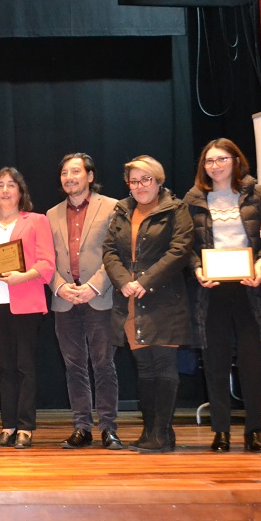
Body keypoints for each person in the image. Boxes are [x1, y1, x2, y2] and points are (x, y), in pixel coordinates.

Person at [183, 139, 261, 453]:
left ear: (236, 161)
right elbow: (186, 245)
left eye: (221, 159)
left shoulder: (257, 194)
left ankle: (254, 431)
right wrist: (197, 268)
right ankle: (221, 431)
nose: (215, 166)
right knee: (215, 362)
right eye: (209, 161)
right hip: (210, 293)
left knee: (253, 362)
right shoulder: (194, 198)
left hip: (251, 288)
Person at [103, 156, 194, 453]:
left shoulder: (176, 209)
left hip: (163, 298)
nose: (140, 186)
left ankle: (161, 433)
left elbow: (180, 250)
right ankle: (153, 433)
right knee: (144, 368)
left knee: (163, 365)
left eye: (146, 179)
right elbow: (109, 252)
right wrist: (123, 281)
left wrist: (145, 281)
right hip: (130, 299)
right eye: (134, 180)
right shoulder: (121, 210)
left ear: (158, 180)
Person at [0, 167, 55, 449]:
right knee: (3, 369)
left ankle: (26, 427)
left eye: (11, 185)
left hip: (25, 303)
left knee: (25, 366)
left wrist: (23, 276)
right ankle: (8, 426)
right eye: (0, 186)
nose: (5, 190)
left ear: (20, 192)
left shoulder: (36, 221)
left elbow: (46, 264)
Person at [46, 154, 122, 450]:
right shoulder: (50, 214)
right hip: (64, 300)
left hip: (99, 297)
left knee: (104, 364)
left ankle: (108, 428)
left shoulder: (113, 207)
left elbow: (117, 252)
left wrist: (94, 286)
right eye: (64, 172)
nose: (69, 177)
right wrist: (59, 285)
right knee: (74, 366)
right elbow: (44, 258)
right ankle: (81, 427)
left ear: (90, 176)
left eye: (75, 171)